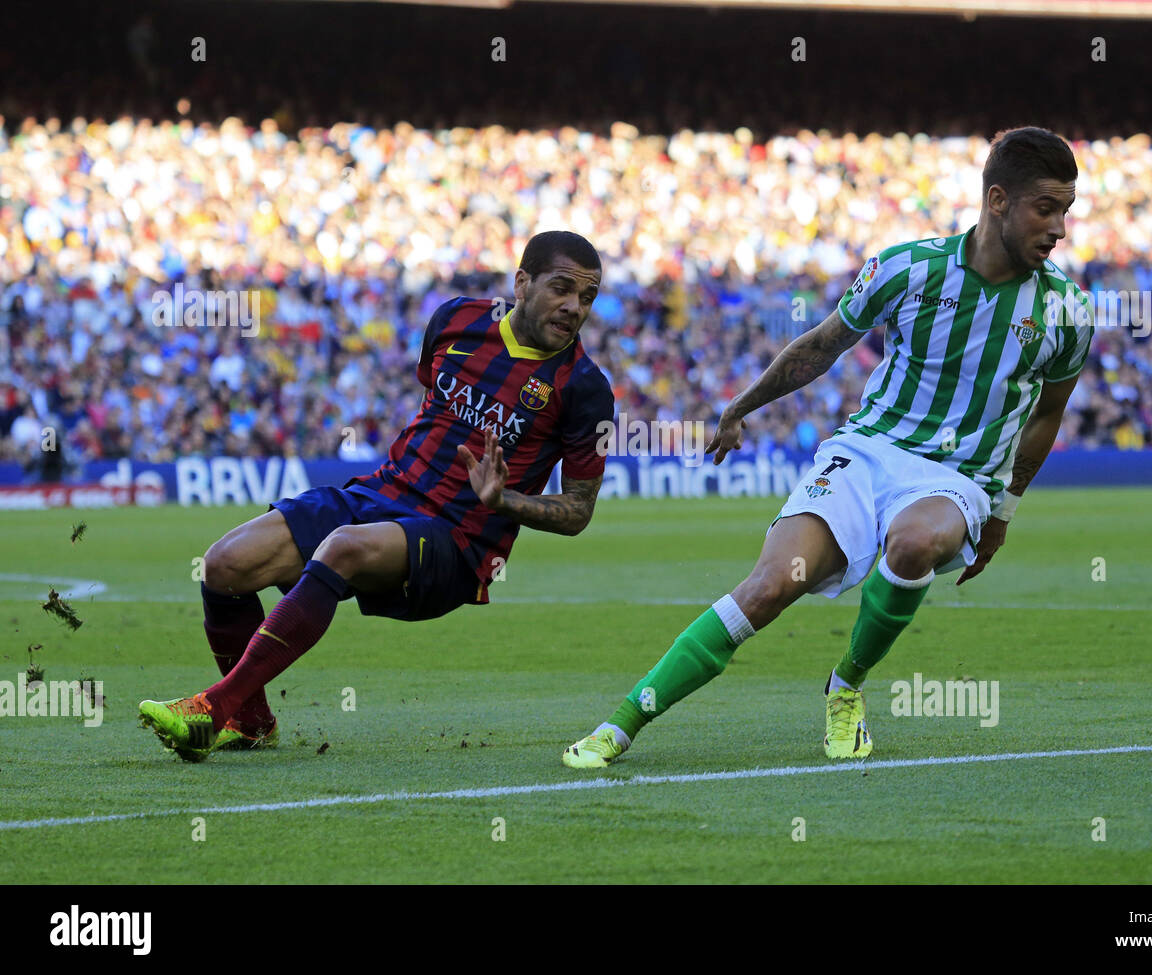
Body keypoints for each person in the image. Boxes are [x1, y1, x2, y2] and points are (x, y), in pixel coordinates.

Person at [563, 127, 1094, 768]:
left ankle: (846, 684)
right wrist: (742, 406)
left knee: (916, 542)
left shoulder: (1067, 309)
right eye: (1047, 208)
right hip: (867, 452)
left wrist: (1004, 511)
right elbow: (821, 344)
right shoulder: (908, 267)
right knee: (767, 588)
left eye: (1066, 210)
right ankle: (619, 726)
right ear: (998, 200)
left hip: (957, 476)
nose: (1059, 227)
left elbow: (1048, 414)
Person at [138, 231, 614, 760]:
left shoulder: (585, 388)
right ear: (522, 282)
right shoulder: (455, 320)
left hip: (458, 542)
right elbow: (432, 399)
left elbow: (577, 511)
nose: (574, 307)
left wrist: (504, 502)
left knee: (342, 547)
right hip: (384, 492)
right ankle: (251, 722)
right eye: (562, 288)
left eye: (587, 297)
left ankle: (214, 709)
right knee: (223, 567)